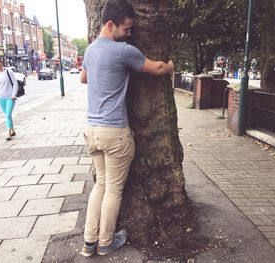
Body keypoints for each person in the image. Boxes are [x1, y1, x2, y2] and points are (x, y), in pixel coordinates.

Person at [80, 0, 174, 257]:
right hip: (115, 133)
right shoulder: (124, 51)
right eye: (126, 28)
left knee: (100, 185)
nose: (130, 34)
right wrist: (171, 66)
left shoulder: (89, 51)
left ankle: (89, 242)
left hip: (91, 130)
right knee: (113, 189)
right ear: (110, 25)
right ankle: (106, 241)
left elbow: (83, 78)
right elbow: (157, 68)